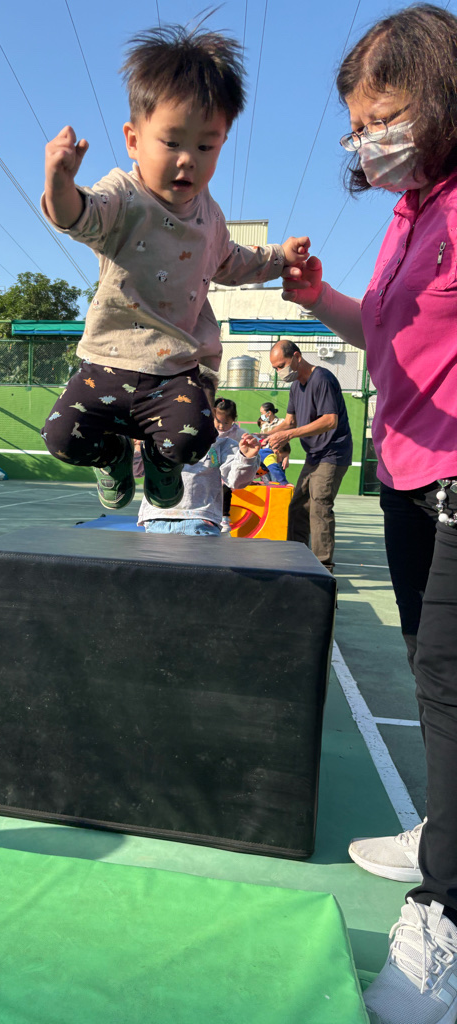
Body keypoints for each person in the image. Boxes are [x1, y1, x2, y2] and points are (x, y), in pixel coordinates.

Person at [282, 6, 457, 1020]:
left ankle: (447, 913)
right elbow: (390, 336)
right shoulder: (410, 212)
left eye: (381, 117)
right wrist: (318, 296)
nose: (366, 142)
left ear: (439, 94)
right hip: (404, 472)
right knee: (428, 668)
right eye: (357, 127)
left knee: (449, 680)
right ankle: (445, 829)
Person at [40, 20, 309, 512]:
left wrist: (280, 258)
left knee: (193, 438)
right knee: (61, 437)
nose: (188, 160)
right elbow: (80, 215)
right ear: (134, 140)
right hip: (109, 359)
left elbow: (234, 262)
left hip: (176, 367)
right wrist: (59, 184)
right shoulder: (124, 195)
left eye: (205, 146)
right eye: (171, 142)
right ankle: (113, 456)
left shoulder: (210, 216)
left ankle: (161, 461)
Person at [134, 370, 260, 535]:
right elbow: (136, 471)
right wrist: (137, 450)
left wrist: (246, 458)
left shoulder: (221, 443)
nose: (189, 413)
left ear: (211, 411)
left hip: (200, 520)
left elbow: (236, 481)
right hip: (158, 518)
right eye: (182, 404)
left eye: (198, 406)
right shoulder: (156, 437)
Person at [266, 341, 352, 572]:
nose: (279, 372)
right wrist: (261, 436)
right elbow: (289, 422)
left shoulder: (322, 378)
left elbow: (330, 420)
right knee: (297, 508)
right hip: (314, 455)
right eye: (275, 368)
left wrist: (289, 435)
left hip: (332, 453)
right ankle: (296, 560)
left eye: (281, 365)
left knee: (319, 506)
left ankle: (322, 569)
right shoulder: (296, 386)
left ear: (297, 356)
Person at [213, 396, 246, 532]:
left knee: (225, 486)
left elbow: (249, 442)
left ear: (233, 420)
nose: (221, 426)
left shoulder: (237, 433)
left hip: (229, 468)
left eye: (226, 423)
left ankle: (224, 517)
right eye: (218, 421)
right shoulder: (209, 431)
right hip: (212, 466)